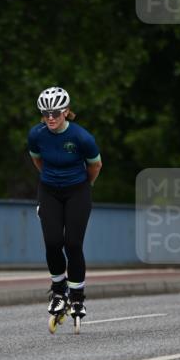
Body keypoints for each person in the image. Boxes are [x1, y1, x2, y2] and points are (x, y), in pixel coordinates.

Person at [28, 86, 102, 320]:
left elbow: (96, 166)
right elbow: (37, 160)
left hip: (77, 190)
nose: (51, 118)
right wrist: (51, 179)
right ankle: (59, 291)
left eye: (56, 113)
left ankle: (78, 297)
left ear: (66, 111)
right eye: (46, 113)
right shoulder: (36, 134)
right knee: (52, 241)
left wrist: (83, 186)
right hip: (49, 190)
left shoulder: (82, 137)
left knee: (72, 243)